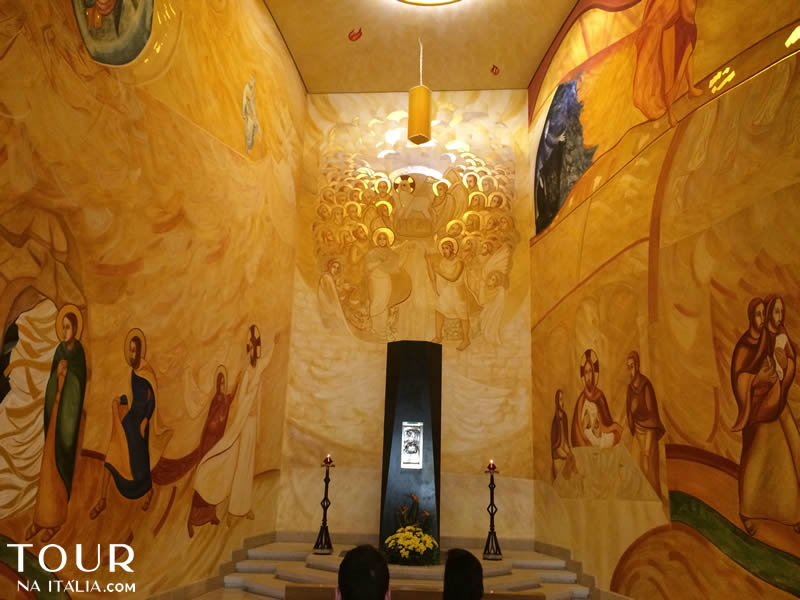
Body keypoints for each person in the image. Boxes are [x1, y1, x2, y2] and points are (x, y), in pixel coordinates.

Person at [731, 296, 800, 535]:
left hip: (775, 403)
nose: (764, 319)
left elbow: (786, 361)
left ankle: (791, 513)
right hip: (757, 411)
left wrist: (785, 366)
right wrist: (756, 379)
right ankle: (748, 512)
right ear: (752, 316)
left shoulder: (770, 338)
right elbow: (739, 379)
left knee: (786, 457)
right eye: (759, 314)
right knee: (755, 461)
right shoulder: (745, 346)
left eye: (766, 314)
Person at [27, 306, 87, 542]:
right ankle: (39, 519)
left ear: (76, 328)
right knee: (47, 468)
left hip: (66, 420)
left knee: (60, 466)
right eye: (63, 327)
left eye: (68, 327)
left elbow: (79, 384)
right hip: (54, 414)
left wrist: (67, 375)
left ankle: (55, 521)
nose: (64, 331)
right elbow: (51, 383)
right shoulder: (59, 351)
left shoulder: (78, 353)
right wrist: (57, 375)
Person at [626, 351, 666, 498]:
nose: (631, 371)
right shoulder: (630, 388)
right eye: (629, 367)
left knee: (647, 457)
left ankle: (651, 494)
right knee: (635, 461)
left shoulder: (646, 385)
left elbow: (651, 411)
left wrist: (637, 407)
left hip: (648, 427)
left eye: (632, 366)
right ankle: (642, 494)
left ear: (637, 366)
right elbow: (628, 409)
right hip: (637, 427)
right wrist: (632, 416)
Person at [571, 350, 622, 448]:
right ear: (583, 375)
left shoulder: (599, 395)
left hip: (599, 434)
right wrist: (586, 426)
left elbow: (606, 421)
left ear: (594, 373)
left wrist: (601, 426)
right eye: (586, 372)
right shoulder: (581, 399)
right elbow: (578, 427)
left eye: (590, 371)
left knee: (614, 436)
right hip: (586, 437)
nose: (588, 376)